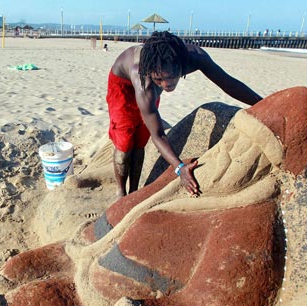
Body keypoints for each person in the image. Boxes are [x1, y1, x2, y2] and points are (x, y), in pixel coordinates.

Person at [107, 31, 262, 198]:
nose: (166, 85)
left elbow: (227, 82)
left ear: (181, 66)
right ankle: (121, 192)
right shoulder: (145, 83)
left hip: (149, 85)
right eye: (160, 79)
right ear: (151, 73)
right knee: (125, 142)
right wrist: (180, 168)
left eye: (172, 77)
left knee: (140, 141)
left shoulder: (194, 57)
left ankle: (134, 191)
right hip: (123, 87)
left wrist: (261, 102)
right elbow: (158, 135)